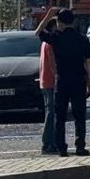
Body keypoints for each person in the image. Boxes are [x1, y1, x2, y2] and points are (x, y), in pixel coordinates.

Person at [37, 9, 90, 156]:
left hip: (62, 81)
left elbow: (38, 32)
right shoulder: (82, 38)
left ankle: (62, 148)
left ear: (59, 23)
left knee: (60, 116)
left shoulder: (56, 37)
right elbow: (89, 62)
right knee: (79, 115)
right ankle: (80, 146)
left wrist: (49, 15)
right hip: (78, 80)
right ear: (74, 21)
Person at [38, 19, 58, 155]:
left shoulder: (44, 43)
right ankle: (49, 143)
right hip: (51, 82)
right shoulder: (50, 43)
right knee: (52, 113)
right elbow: (52, 64)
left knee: (50, 112)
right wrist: (58, 78)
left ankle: (49, 142)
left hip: (44, 81)